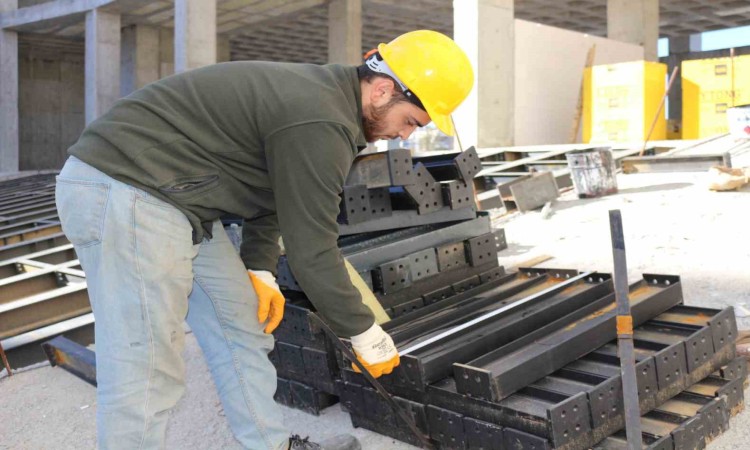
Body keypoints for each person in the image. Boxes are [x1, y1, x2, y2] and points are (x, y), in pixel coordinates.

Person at [55, 29, 473, 450]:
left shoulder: (330, 106)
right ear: (383, 90)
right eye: (410, 122)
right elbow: (313, 251)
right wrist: (362, 330)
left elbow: (275, 192)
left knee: (241, 326)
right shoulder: (322, 119)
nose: (406, 135)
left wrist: (260, 266)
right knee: (145, 365)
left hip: (179, 200)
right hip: (127, 188)